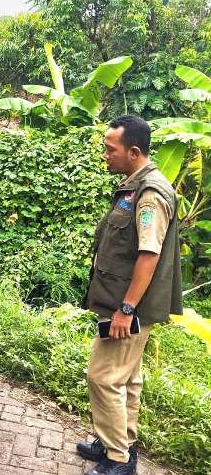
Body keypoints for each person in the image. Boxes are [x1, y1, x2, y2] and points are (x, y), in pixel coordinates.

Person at [77, 115, 182, 475]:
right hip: (122, 301)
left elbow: (148, 255)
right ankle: (119, 443)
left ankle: (118, 461)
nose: (105, 155)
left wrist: (126, 309)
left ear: (133, 152)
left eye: (111, 149)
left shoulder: (150, 194)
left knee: (103, 377)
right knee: (127, 378)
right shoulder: (134, 186)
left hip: (128, 307)